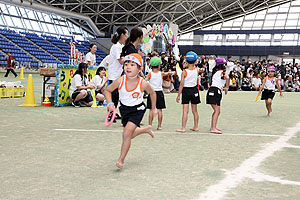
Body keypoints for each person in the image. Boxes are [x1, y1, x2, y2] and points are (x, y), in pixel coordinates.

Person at [104, 53, 157, 169]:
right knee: (130, 134)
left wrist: (153, 108)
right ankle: (145, 130)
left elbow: (152, 93)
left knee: (126, 134)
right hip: (124, 109)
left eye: (132, 65)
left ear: (140, 69)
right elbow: (108, 91)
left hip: (137, 110)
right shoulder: (120, 80)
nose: (128, 67)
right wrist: (110, 103)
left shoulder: (143, 83)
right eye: (126, 64)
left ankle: (121, 160)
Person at [176, 51, 200, 133]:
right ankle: (196, 127)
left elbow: (181, 84)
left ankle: (183, 128)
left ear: (186, 60)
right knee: (195, 111)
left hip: (186, 91)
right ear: (196, 60)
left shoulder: (184, 72)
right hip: (194, 90)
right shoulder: (197, 70)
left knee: (185, 111)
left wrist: (178, 95)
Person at [107, 26, 129, 121]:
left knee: (117, 95)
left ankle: (113, 113)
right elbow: (120, 61)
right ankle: (110, 114)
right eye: (127, 34)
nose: (127, 36)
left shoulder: (120, 47)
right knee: (114, 95)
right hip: (114, 74)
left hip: (118, 74)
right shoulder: (116, 47)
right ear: (122, 35)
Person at [145, 57, 171, 130]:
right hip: (159, 92)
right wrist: (170, 72)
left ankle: (150, 125)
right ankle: (159, 126)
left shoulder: (149, 74)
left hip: (151, 92)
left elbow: (144, 81)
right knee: (160, 109)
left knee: (151, 109)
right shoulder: (161, 74)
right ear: (159, 66)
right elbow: (168, 73)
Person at [206, 57, 230, 134]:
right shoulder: (223, 72)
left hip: (214, 91)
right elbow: (228, 78)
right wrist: (227, 88)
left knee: (217, 111)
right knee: (217, 110)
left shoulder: (216, 72)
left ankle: (213, 126)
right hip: (215, 91)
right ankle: (213, 128)